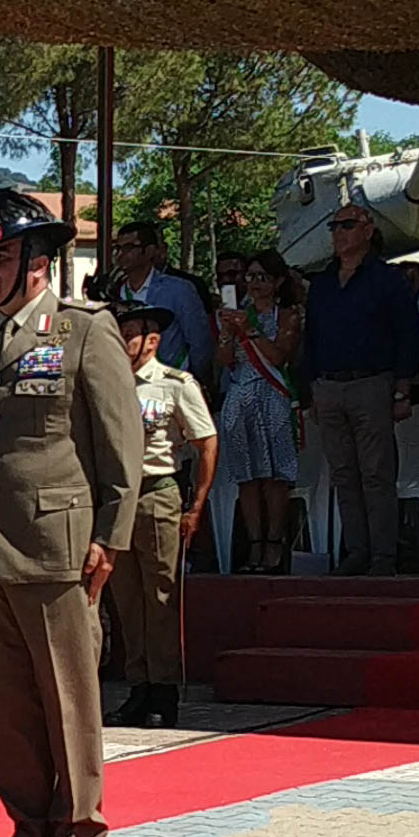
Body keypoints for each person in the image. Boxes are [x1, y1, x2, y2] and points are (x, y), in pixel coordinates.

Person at [0, 189, 141, 837]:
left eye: (0, 259)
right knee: (4, 703)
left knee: (67, 697)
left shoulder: (83, 330)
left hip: (58, 544)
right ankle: (28, 830)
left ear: (38, 263)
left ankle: (78, 834)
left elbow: (120, 445)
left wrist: (111, 536)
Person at [105, 301, 217, 730]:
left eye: (129, 334)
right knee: (126, 599)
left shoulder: (175, 384)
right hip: (118, 498)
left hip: (157, 493)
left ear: (151, 341)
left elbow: (206, 441)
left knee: (160, 597)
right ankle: (138, 685)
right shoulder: (106, 383)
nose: (121, 342)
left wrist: (197, 505)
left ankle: (164, 689)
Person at [303, 204, 419, 576]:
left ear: (368, 231)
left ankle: (383, 556)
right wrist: (312, 388)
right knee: (343, 474)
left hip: (372, 383)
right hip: (329, 385)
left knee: (376, 473)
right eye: (334, 226)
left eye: (348, 225)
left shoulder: (387, 279)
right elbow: (311, 337)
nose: (339, 232)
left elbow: (408, 335)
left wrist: (402, 389)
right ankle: (356, 551)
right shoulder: (322, 283)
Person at [215, 250, 304, 574]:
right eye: (250, 276)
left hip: (273, 395)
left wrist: (249, 328)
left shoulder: (287, 315)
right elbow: (225, 359)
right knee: (247, 477)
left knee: (275, 476)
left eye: (262, 277)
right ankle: (253, 544)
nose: (254, 283)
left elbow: (280, 357)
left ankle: (275, 543)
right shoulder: (236, 313)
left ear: (277, 281)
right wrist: (228, 333)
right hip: (240, 396)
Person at [111, 222, 214, 383]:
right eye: (117, 248)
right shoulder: (114, 292)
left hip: (170, 382)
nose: (121, 254)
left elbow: (199, 342)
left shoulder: (178, 289)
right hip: (127, 380)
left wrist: (195, 380)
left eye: (129, 247)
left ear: (150, 251)